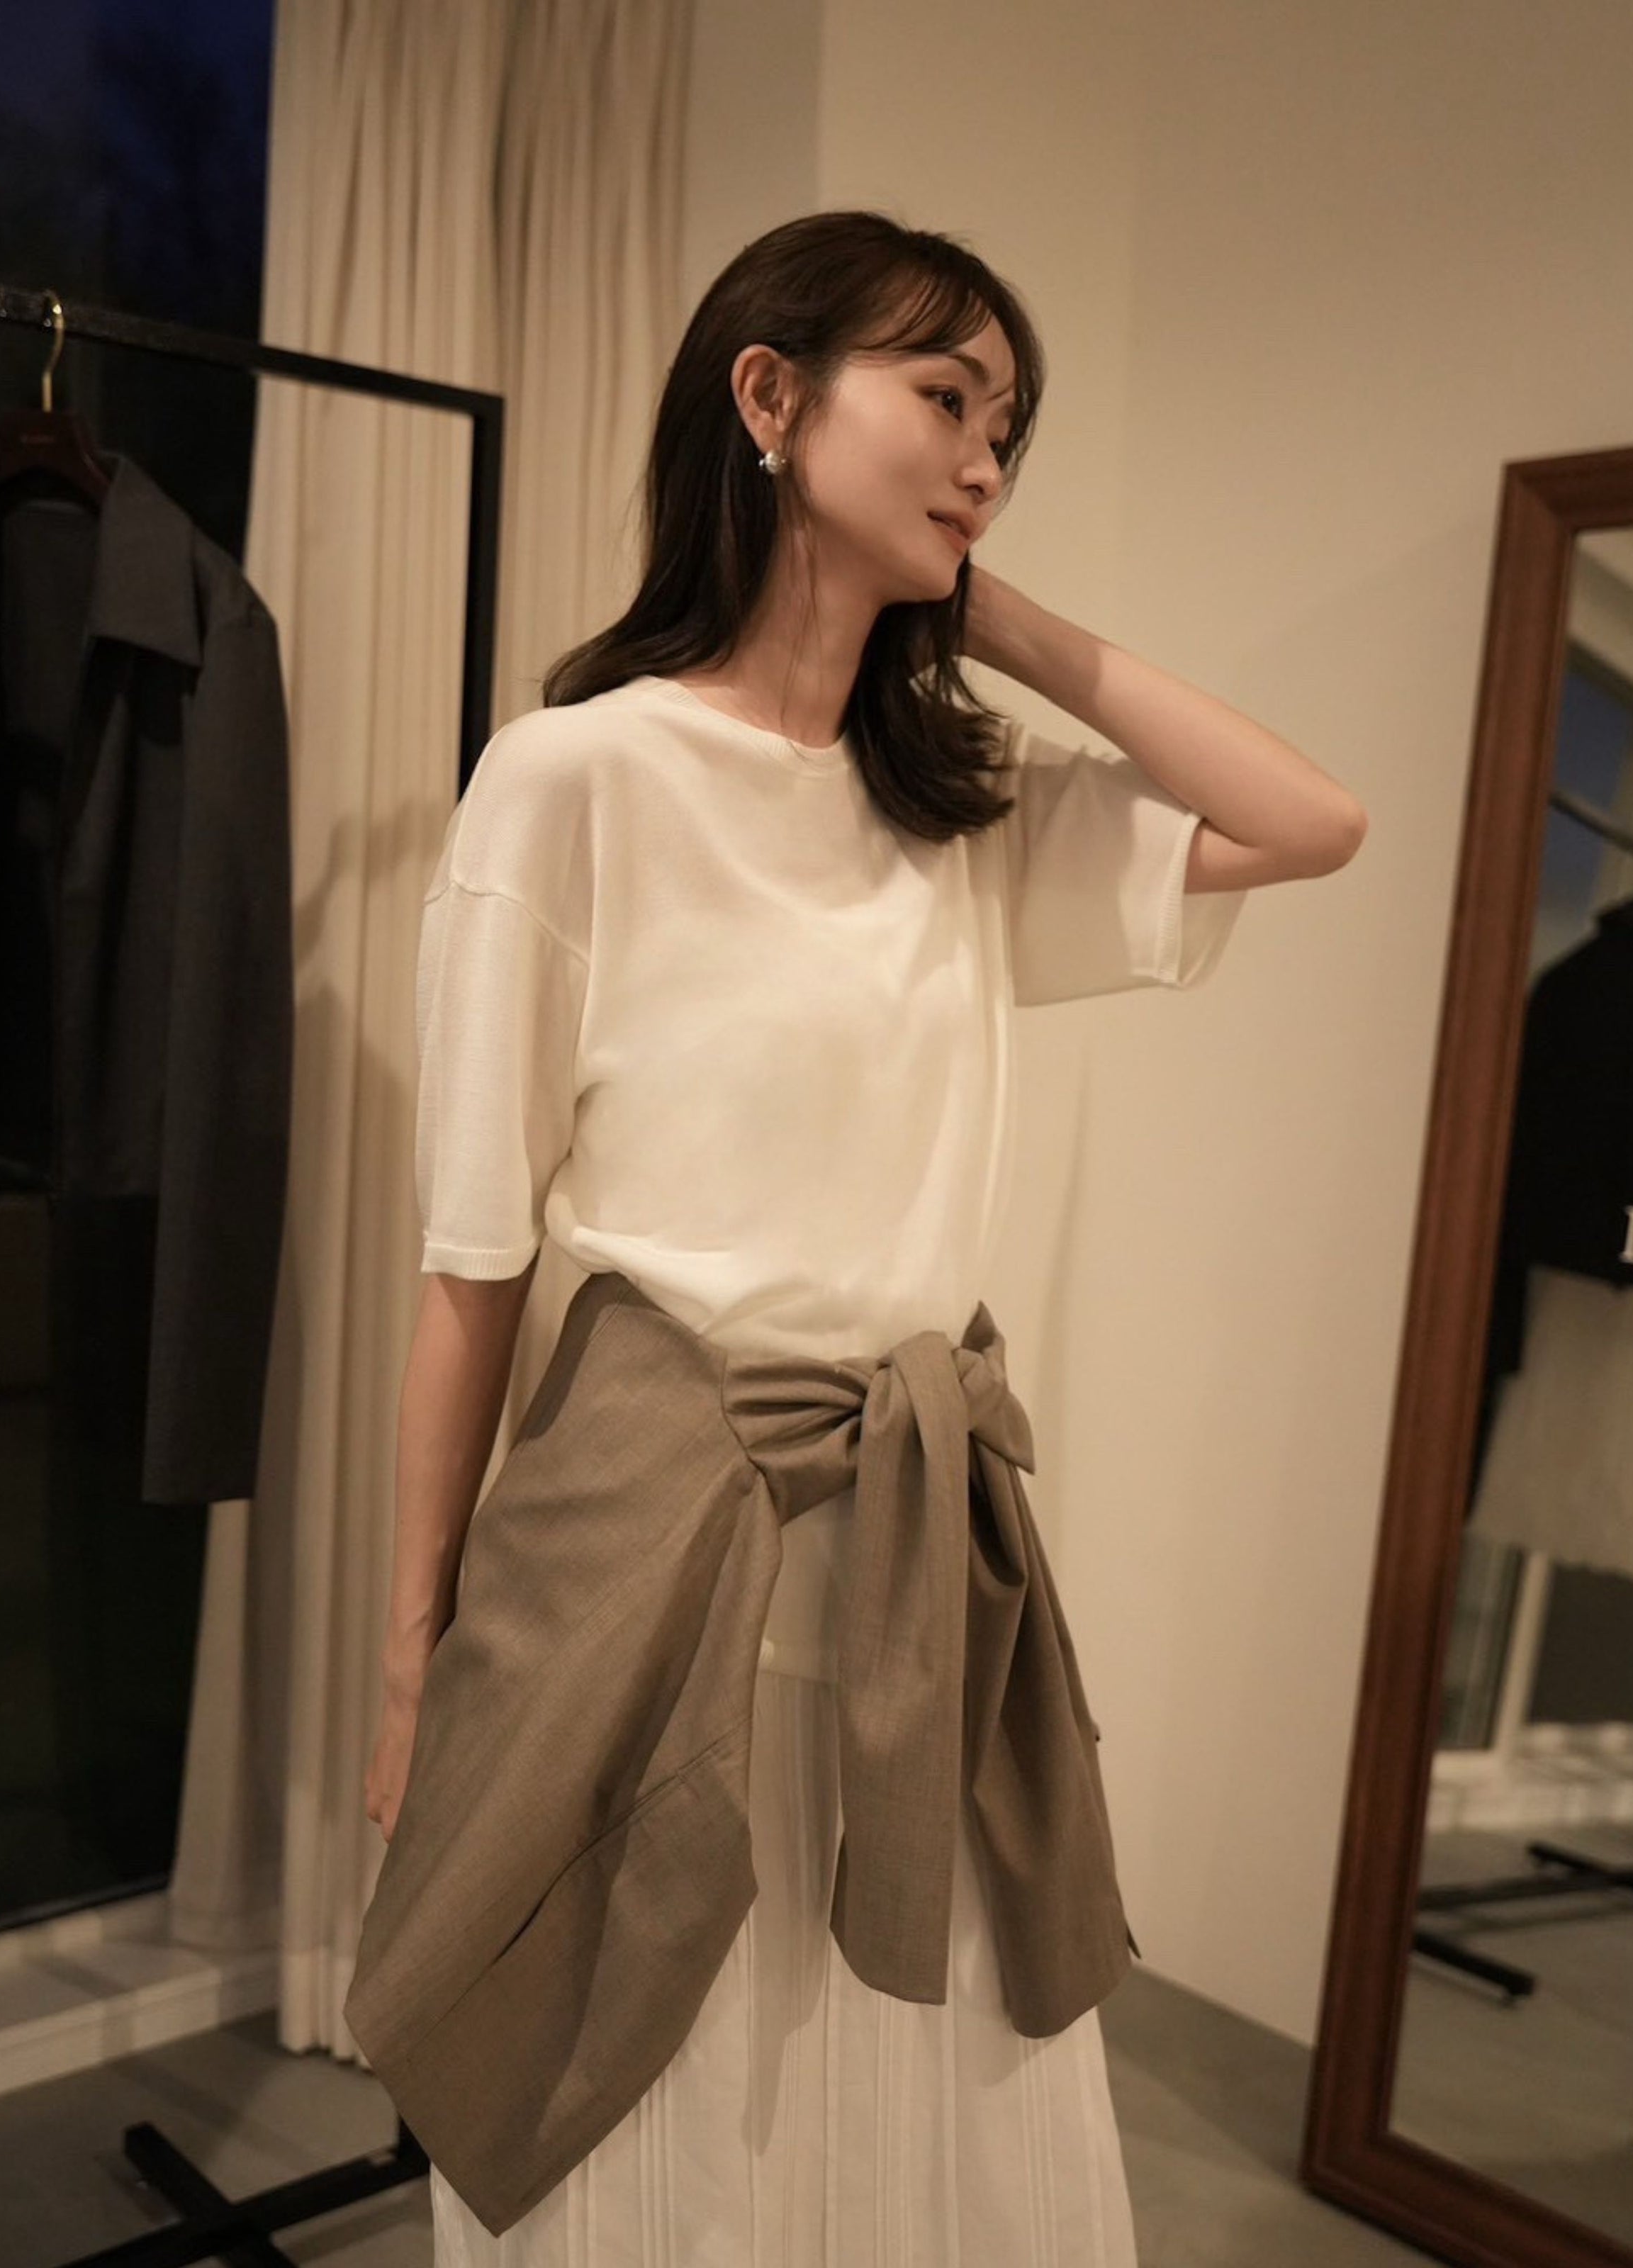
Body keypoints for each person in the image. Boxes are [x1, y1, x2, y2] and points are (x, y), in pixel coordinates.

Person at [363, 210, 1367, 2266]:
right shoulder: (573, 779)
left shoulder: (959, 813)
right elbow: (474, 1269)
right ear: (769, 395)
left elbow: (1311, 822)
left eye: (1009, 428)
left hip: (918, 1572)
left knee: (929, 2126)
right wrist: (408, 1662)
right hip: (641, 1559)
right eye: (944, 398)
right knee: (640, 2117)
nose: (985, 457)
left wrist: (996, 623)